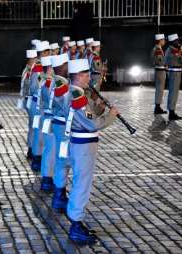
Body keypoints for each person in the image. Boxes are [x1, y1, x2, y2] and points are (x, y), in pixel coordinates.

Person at [63, 59, 119, 242]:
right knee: (82, 184)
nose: (89, 79)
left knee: (81, 182)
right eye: (87, 75)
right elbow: (91, 124)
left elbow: (88, 115)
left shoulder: (76, 94)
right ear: (78, 76)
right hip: (83, 146)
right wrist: (110, 117)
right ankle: (76, 225)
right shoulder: (77, 97)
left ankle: (76, 222)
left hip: (82, 145)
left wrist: (98, 109)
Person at [48, 53, 71, 209]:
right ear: (61, 67)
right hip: (63, 126)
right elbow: (66, 107)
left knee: (62, 159)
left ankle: (59, 192)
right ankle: (59, 194)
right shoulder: (61, 86)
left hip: (59, 125)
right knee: (64, 160)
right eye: (67, 65)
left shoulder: (57, 82)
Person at [34, 55, 55, 190]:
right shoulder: (48, 83)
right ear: (50, 68)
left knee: (49, 148)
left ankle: (48, 176)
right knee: (51, 149)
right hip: (50, 118)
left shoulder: (45, 81)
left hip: (47, 116)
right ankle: (47, 177)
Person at [30, 41, 51, 170]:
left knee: (42, 133)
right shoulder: (38, 67)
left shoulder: (42, 65)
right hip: (39, 104)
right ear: (41, 53)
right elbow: (33, 87)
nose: (50, 54)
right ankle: (37, 158)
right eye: (47, 52)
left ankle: (38, 157)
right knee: (39, 133)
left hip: (42, 103)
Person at [165, 33, 182, 120]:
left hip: (173, 72)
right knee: (174, 92)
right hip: (175, 73)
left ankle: (171, 111)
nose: (178, 42)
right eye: (176, 40)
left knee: (172, 92)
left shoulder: (170, 50)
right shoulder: (173, 50)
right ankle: (171, 112)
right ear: (173, 42)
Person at [18, 49, 36, 159]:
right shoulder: (29, 71)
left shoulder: (29, 70)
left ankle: (32, 148)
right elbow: (30, 88)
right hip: (30, 100)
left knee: (33, 126)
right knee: (33, 126)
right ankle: (31, 149)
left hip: (30, 101)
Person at [151, 34, 168, 114]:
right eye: (163, 39)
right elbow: (159, 61)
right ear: (160, 40)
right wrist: (165, 66)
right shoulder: (158, 49)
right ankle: (157, 107)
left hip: (160, 71)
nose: (164, 41)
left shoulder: (158, 48)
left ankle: (158, 107)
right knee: (160, 89)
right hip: (160, 71)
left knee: (159, 89)